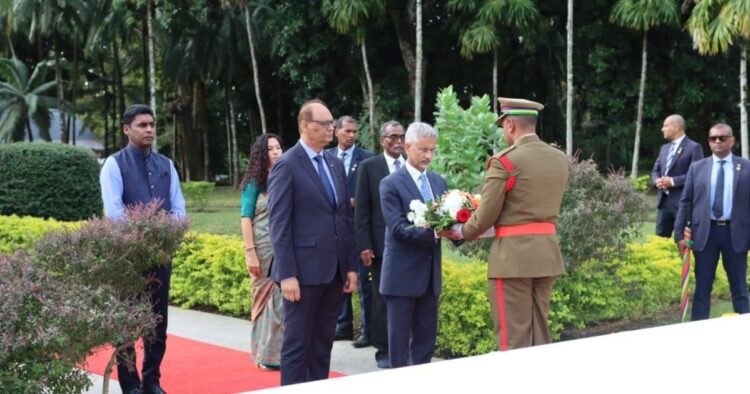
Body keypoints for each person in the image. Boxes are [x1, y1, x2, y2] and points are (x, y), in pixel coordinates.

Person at [461, 97, 569, 351]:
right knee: (540, 333)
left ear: (510, 125)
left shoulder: (505, 160)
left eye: (503, 126)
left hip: (512, 259)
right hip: (548, 255)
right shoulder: (559, 158)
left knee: (513, 338)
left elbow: (486, 215)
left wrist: (462, 231)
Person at [268, 99, 358, 385]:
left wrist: (351, 267)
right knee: (297, 346)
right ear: (305, 125)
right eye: (325, 124)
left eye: (332, 123)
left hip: (333, 271)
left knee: (322, 345)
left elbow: (344, 218)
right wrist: (288, 274)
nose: (331, 128)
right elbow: (279, 224)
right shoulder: (287, 164)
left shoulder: (334, 162)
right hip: (302, 274)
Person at [100, 104, 186, 394]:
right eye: (142, 125)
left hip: (162, 258)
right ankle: (130, 385)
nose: (149, 129)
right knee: (126, 324)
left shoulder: (167, 165)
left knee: (157, 323)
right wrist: (146, 246)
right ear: (127, 129)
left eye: (151, 124)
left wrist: (168, 244)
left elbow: (178, 208)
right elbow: (115, 214)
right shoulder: (114, 164)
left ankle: (152, 381)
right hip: (126, 260)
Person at [379, 122, 462, 368]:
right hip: (401, 277)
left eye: (432, 150)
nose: (428, 155)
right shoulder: (390, 184)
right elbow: (398, 229)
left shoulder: (439, 182)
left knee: (425, 344)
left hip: (430, 278)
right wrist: (437, 233)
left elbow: (451, 220)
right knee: (399, 346)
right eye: (423, 149)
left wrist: (462, 231)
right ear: (407, 147)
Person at [674, 123, 750, 320]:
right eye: (712, 138)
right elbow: (686, 201)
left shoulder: (747, 167)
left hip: (736, 235)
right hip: (705, 235)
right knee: (702, 290)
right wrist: (679, 233)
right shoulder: (697, 168)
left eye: (722, 138)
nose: (717, 141)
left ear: (732, 141)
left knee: (740, 289)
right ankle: (698, 335)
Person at [355, 120, 406, 368]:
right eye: (393, 137)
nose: (398, 141)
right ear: (382, 140)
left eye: (402, 137)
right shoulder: (369, 167)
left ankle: (405, 347)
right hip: (379, 245)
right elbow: (362, 210)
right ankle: (384, 350)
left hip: (410, 244)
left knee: (408, 296)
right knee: (382, 297)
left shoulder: (412, 166)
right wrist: (364, 244)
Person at [328, 115, 374, 347]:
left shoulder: (367, 159)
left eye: (355, 132)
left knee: (364, 280)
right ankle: (343, 325)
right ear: (336, 131)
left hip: (359, 227)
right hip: (335, 229)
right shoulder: (326, 158)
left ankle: (367, 329)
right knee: (339, 276)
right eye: (347, 131)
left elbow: (372, 194)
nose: (352, 135)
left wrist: (355, 201)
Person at [239, 133, 284, 370]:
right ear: (261, 154)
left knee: (281, 299)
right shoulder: (254, 182)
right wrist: (250, 252)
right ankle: (263, 354)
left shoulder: (286, 177)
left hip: (284, 247)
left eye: (279, 147)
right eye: (271, 148)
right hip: (262, 247)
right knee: (264, 298)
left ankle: (278, 354)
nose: (277, 152)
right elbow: (246, 218)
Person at [651, 114, 703, 237]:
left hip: (683, 203)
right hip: (663, 203)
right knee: (660, 241)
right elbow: (655, 170)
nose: (662, 129)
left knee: (683, 242)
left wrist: (673, 181)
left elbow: (698, 174)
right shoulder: (664, 148)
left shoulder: (694, 147)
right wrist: (658, 180)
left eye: (665, 126)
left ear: (676, 127)